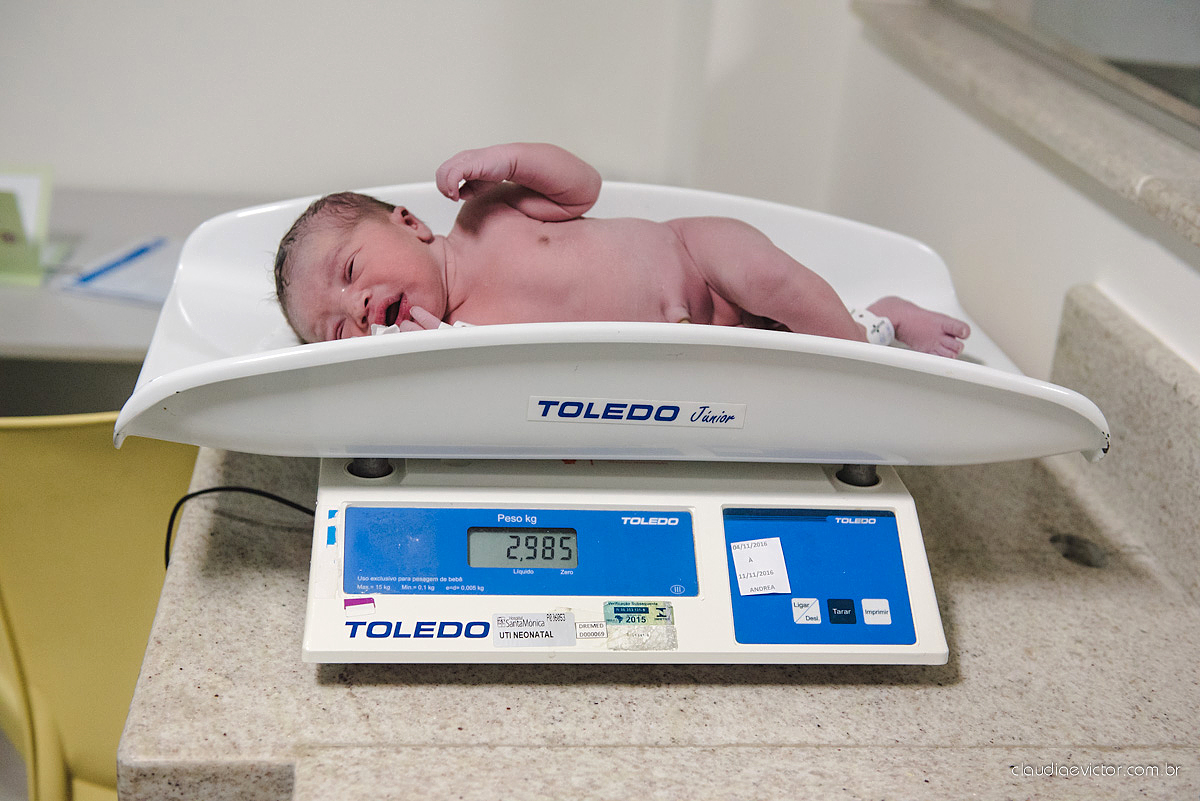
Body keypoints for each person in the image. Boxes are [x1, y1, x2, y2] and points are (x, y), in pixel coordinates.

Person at [274, 142, 969, 356]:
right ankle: (875, 320)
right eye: (340, 328)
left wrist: (512, 159)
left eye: (351, 272)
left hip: (695, 256)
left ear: (410, 223)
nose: (359, 307)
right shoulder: (455, 343)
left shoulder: (488, 211)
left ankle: (866, 348)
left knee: (769, 280)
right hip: (705, 341)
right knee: (771, 350)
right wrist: (430, 350)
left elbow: (585, 188)